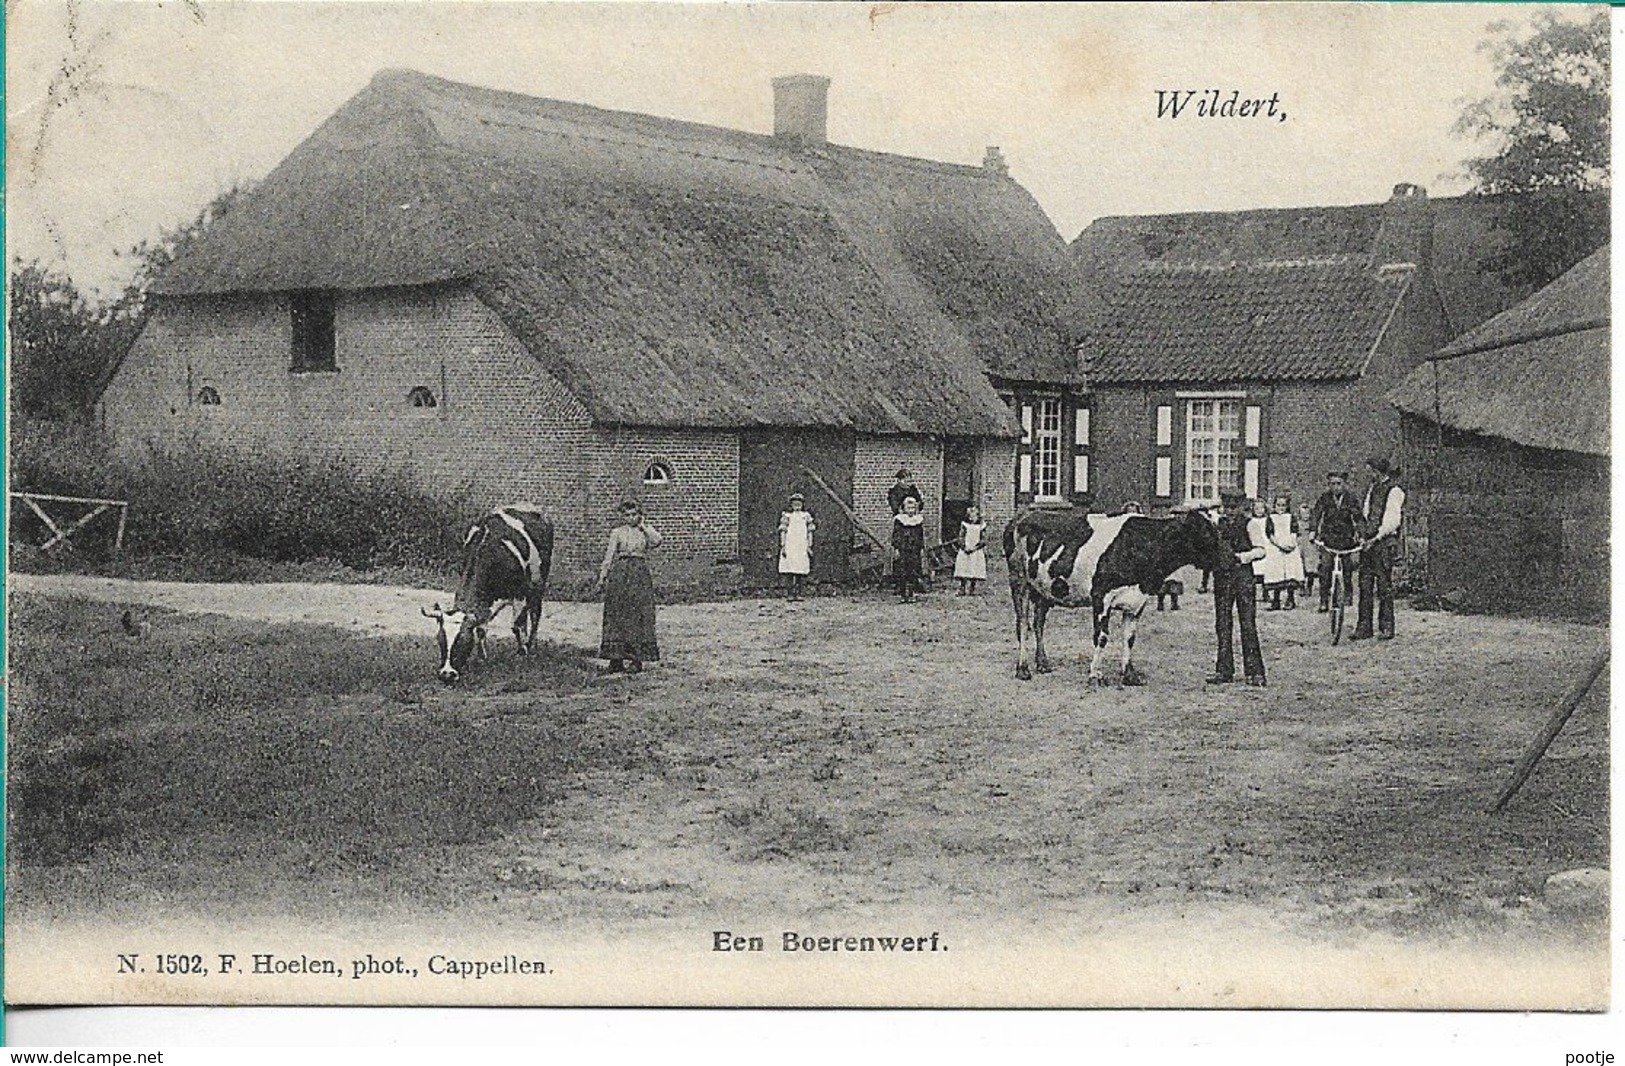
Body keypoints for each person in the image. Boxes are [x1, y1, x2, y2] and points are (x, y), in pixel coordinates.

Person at [1208, 489, 1267, 687]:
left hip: (1243, 576)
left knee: (1247, 623)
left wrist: (1242, 557)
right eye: (1227, 508)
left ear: (1242, 507)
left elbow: (1261, 550)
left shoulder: (1250, 524)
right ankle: (1224, 670)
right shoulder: (1218, 524)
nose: (1230, 512)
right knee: (1222, 623)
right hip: (1222, 577)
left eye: (1234, 508)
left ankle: (1255, 671)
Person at [597, 499, 662, 674]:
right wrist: (602, 577)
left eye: (634, 514)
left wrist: (643, 526)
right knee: (617, 613)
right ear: (622, 516)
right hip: (620, 573)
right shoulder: (617, 532)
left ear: (639, 515)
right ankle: (615, 659)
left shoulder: (644, 532)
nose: (631, 518)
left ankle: (635, 658)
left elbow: (657, 541)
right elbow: (609, 556)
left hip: (639, 574)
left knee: (637, 615)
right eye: (627, 515)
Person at [1354, 456, 1406, 641]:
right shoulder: (1372, 489)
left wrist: (1375, 538)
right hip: (1368, 544)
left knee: (1384, 587)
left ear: (1377, 471)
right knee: (1365, 585)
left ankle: (1386, 627)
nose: (1368, 474)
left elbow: (1392, 521)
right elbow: (1366, 514)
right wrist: (1362, 536)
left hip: (1383, 544)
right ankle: (1364, 627)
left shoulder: (1395, 491)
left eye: (1370, 470)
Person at [1309, 471, 1361, 613]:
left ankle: (1347, 594)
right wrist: (1313, 531)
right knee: (1325, 567)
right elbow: (1316, 514)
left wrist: (1361, 535)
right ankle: (1324, 600)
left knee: (1347, 567)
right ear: (1328, 485)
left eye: (1339, 484)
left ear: (1344, 484)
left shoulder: (1351, 499)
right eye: (1332, 484)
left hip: (1346, 540)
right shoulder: (1325, 498)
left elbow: (1358, 517)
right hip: (1328, 540)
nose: (1336, 487)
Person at [1261, 494, 1304, 610]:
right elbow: (1270, 534)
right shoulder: (1271, 518)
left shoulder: (1291, 517)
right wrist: (1280, 545)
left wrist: (1291, 544)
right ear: (1274, 506)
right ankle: (1276, 600)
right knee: (1277, 574)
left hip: (1289, 547)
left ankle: (1290, 599)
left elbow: (1294, 531)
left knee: (1290, 573)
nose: (1281, 508)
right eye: (1278, 505)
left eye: (1283, 505)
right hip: (1276, 548)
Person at [778, 492, 816, 602]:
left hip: (801, 545)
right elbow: (783, 532)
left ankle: (798, 593)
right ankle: (790, 593)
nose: (797, 506)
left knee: (800, 570)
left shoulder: (806, 516)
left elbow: (810, 532)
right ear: (791, 505)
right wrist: (783, 546)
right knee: (790, 569)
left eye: (799, 503)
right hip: (791, 545)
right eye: (795, 503)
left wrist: (809, 546)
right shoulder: (787, 516)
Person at [892, 495, 926, 602]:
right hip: (903, 548)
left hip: (914, 549)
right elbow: (896, 535)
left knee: (913, 571)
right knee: (902, 571)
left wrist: (921, 548)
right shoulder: (900, 520)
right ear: (904, 508)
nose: (911, 510)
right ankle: (903, 594)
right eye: (908, 508)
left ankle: (911, 593)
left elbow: (920, 536)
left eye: (913, 508)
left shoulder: (918, 520)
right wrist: (896, 548)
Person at [953, 504, 987, 596]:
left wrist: (975, 547)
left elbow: (983, 540)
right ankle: (962, 587)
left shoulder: (981, 526)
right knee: (964, 568)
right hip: (966, 550)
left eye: (974, 516)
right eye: (970, 516)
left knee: (975, 568)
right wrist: (964, 547)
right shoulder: (965, 525)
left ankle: (972, 587)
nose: (972, 519)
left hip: (976, 551)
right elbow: (961, 537)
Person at [1297, 502, 1321, 604]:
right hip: (1300, 545)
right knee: (1300, 566)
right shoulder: (1297, 523)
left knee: (1310, 567)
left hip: (1309, 547)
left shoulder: (1312, 524)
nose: (1305, 516)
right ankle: (1301, 587)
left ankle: (1309, 587)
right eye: (1303, 514)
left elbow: (1315, 532)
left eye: (1307, 514)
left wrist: (1314, 536)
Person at [1248, 497, 1270, 603]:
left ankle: (1266, 593)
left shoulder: (1267, 520)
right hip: (1256, 544)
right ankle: (1253, 593)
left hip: (1266, 544)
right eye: (1256, 509)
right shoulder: (1251, 521)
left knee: (1266, 571)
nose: (1259, 511)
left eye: (1261, 508)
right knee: (1255, 571)